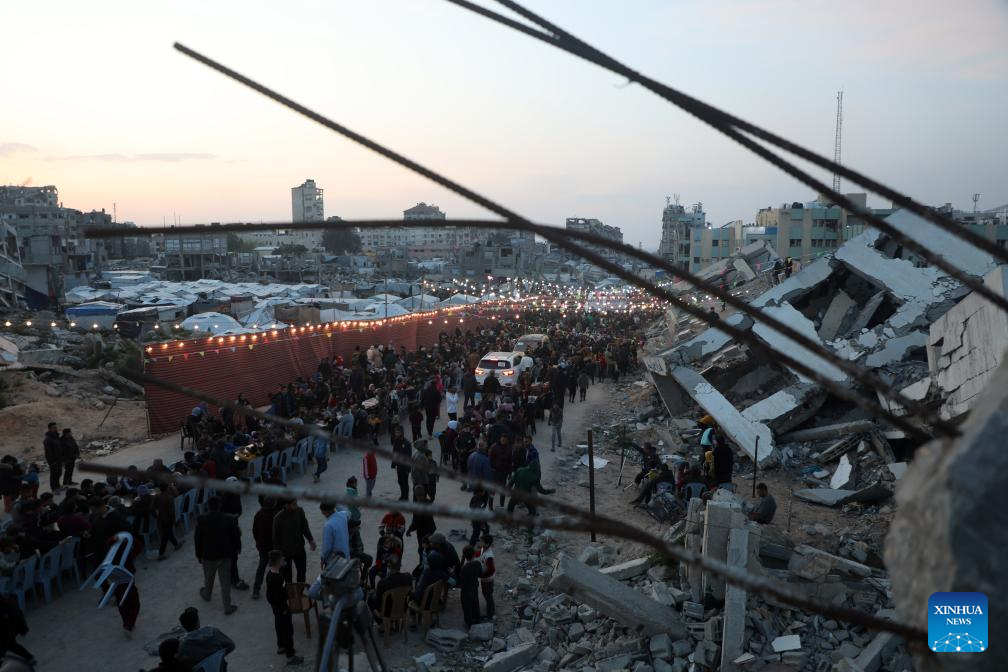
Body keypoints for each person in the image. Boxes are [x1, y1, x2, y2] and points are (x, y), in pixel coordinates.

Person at [194, 496, 240, 615]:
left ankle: (207, 594)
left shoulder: (201, 520)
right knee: (225, 581)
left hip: (208, 556)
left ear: (208, 507)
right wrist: (237, 548)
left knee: (209, 577)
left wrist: (199, 555)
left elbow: (198, 540)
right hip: (225, 555)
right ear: (219, 506)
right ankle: (227, 606)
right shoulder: (228, 519)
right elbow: (235, 536)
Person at [265, 550, 304, 665]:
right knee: (287, 630)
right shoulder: (277, 578)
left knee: (279, 625)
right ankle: (290, 655)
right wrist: (284, 608)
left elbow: (269, 595)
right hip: (282, 607)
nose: (284, 559)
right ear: (278, 561)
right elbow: (280, 595)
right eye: (282, 558)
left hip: (276, 608)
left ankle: (281, 646)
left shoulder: (270, 575)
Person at [272, 499, 316, 583]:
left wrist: (311, 540)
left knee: (302, 572)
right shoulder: (278, 518)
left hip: (299, 548)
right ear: (286, 505)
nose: (296, 505)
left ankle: (300, 589)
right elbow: (275, 539)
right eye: (294, 504)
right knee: (287, 576)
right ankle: (290, 591)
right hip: (285, 553)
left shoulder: (299, 511)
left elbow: (304, 527)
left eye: (296, 503)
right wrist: (279, 557)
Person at [368, 554, 413, 619]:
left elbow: (378, 601)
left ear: (388, 566)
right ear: (400, 565)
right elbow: (409, 593)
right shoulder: (408, 577)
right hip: (402, 608)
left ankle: (380, 620)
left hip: (387, 612)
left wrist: (373, 595)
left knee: (370, 599)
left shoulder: (382, 582)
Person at [251, 498, 277, 600]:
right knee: (277, 568)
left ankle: (256, 589)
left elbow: (254, 531)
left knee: (261, 567)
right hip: (274, 546)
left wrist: (258, 542)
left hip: (263, 547)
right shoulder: (276, 515)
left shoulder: (258, 514)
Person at [0, 596, 34, 666]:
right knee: (10, 644)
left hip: (10, 624)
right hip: (11, 623)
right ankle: (29, 657)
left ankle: (29, 658)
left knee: (7, 645)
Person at [319, 501, 350, 567]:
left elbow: (327, 547)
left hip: (334, 560)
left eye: (323, 512)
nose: (322, 514)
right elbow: (348, 513)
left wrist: (323, 557)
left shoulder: (328, 525)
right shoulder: (343, 515)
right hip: (346, 555)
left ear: (327, 510)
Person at [458, 545, 483, 628]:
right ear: (474, 554)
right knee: (475, 603)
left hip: (466, 590)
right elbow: (480, 574)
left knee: (467, 607)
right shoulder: (477, 564)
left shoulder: (464, 568)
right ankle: (477, 619)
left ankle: (469, 623)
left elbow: (461, 581)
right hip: (474, 587)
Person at [476, 533, 496, 620]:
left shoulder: (489, 556)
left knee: (488, 595)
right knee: (485, 593)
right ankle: (490, 610)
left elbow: (489, 569)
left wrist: (480, 574)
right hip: (485, 578)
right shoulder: (483, 549)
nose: (479, 543)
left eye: (481, 541)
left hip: (488, 578)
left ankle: (490, 614)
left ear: (487, 544)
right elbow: (478, 554)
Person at [392, 426, 413, 500]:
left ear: (402, 433)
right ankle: (402, 495)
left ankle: (406, 497)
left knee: (405, 482)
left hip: (405, 466)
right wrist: (394, 463)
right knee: (400, 481)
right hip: (399, 466)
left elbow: (409, 456)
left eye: (398, 432)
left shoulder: (407, 443)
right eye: (396, 432)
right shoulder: (396, 441)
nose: (396, 434)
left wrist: (408, 468)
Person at [43, 422, 62, 492]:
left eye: (56, 427)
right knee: (54, 474)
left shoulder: (56, 437)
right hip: (53, 461)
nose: (56, 429)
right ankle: (54, 488)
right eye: (54, 428)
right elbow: (48, 452)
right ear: (49, 429)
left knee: (59, 473)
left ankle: (58, 486)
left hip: (59, 459)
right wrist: (52, 461)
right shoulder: (47, 439)